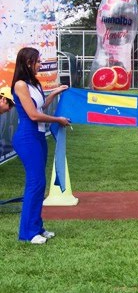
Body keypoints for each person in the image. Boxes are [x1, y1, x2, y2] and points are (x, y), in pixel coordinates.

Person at [11, 47, 71, 244]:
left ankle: (37, 227)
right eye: (37, 61)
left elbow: (40, 107)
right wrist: (58, 120)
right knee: (35, 184)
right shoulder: (20, 85)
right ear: (28, 63)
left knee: (39, 184)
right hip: (27, 138)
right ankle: (27, 233)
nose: (40, 64)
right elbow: (34, 115)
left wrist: (54, 93)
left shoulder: (33, 84)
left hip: (37, 138)